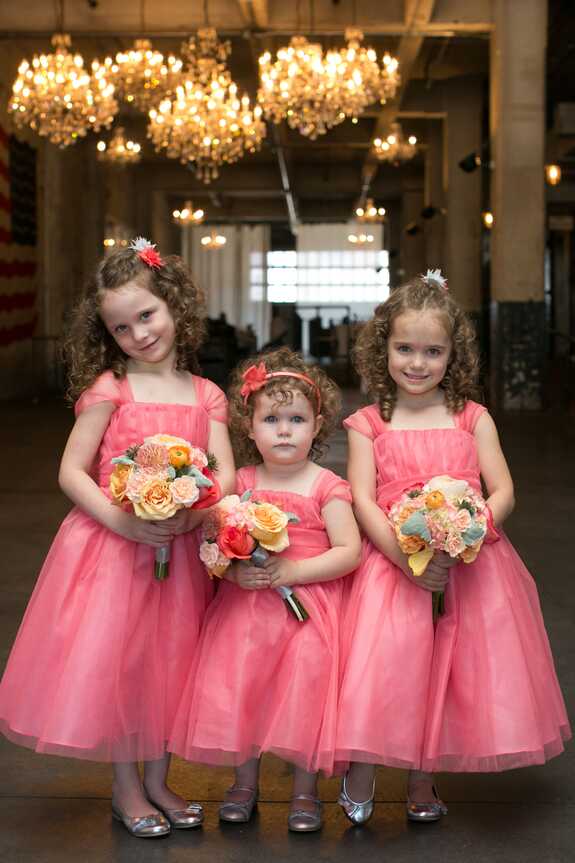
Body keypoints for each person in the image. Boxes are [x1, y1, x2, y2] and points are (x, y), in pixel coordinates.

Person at [0, 238, 235, 838]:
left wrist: (193, 510)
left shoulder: (205, 394)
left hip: (178, 552)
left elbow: (225, 471)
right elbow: (71, 471)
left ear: (175, 306)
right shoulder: (111, 389)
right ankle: (127, 788)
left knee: (170, 666)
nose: (138, 333)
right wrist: (124, 519)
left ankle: (159, 780)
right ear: (108, 334)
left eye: (146, 315)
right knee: (124, 665)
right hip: (112, 551)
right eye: (121, 326)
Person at [335, 270, 571, 826]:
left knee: (447, 668)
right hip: (394, 564)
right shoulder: (370, 422)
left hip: (466, 563)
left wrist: (471, 531)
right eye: (405, 349)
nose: (417, 364)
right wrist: (403, 556)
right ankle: (363, 765)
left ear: (453, 355)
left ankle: (422, 775)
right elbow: (362, 499)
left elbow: (504, 488)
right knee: (388, 665)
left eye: (432, 351)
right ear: (382, 349)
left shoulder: (472, 416)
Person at [169, 347, 361, 832]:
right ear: (248, 427)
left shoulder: (327, 486)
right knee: (243, 692)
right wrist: (232, 574)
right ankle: (244, 783)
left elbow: (349, 551)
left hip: (307, 612)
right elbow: (211, 545)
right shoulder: (241, 484)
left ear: (317, 426)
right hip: (245, 613)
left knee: (304, 696)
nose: (283, 429)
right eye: (271, 418)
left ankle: (303, 792)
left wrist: (293, 573)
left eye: (296, 418)